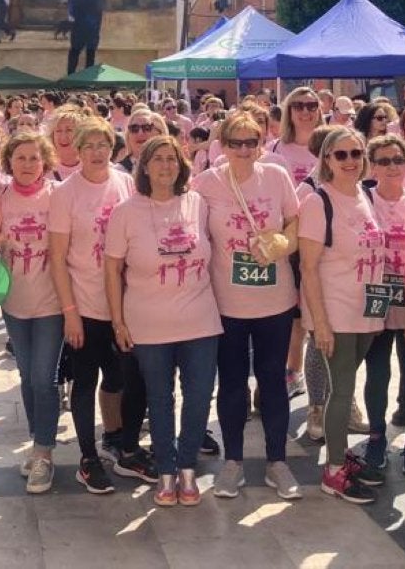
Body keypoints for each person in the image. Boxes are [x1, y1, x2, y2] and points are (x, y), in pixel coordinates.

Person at [192, 112, 303, 501]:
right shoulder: (206, 183)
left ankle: (277, 462)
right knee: (232, 383)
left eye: (251, 142)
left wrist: (283, 244)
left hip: (274, 298)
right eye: (235, 143)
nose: (243, 150)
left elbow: (295, 221)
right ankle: (233, 462)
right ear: (222, 145)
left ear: (261, 143)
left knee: (273, 379)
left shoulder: (276, 176)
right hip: (227, 302)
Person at [105, 136, 221, 507]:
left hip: (200, 320)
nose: (166, 166)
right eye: (157, 159)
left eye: (172, 158)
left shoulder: (198, 203)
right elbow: (112, 269)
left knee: (199, 396)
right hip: (148, 322)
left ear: (181, 165)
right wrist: (118, 321)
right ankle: (166, 472)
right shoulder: (125, 212)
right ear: (144, 166)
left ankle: (187, 468)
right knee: (159, 398)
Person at [47, 116, 156, 494]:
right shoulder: (65, 194)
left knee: (124, 377)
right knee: (85, 380)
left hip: (126, 303)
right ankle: (88, 457)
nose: (97, 153)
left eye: (103, 145)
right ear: (77, 150)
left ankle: (122, 443)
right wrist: (70, 313)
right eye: (89, 146)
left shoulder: (125, 182)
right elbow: (57, 258)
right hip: (86, 303)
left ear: (114, 148)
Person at [299, 128, 388, 505]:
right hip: (336, 313)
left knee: (346, 387)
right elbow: (308, 268)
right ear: (327, 160)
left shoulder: (365, 194)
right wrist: (320, 323)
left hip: (367, 311)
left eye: (356, 152)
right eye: (341, 154)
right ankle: (334, 470)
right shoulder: (318, 201)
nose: (350, 160)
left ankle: (341, 455)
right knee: (341, 391)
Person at [0, 132, 62, 494]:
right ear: (9, 161)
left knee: (44, 377)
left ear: (45, 161)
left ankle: (44, 453)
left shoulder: (58, 195)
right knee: (26, 375)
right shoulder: (0, 197)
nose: (27, 164)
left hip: (52, 300)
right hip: (14, 301)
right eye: (20, 157)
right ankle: (38, 440)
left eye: (34, 158)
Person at [361, 134, 405, 478]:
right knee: (377, 371)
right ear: (372, 166)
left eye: (398, 160)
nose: (392, 167)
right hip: (375, 295)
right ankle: (376, 435)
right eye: (384, 161)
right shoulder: (362, 200)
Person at [65, 0, 105, 74]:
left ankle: (70, 75)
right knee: (90, 53)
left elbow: (70, 6)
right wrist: (98, 25)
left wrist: (72, 20)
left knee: (74, 51)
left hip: (77, 24)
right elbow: (99, 7)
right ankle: (87, 77)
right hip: (91, 24)